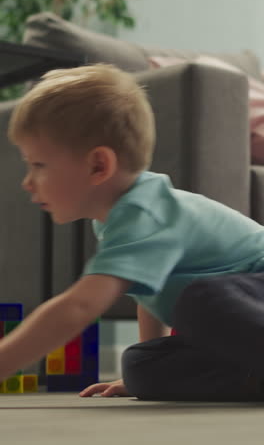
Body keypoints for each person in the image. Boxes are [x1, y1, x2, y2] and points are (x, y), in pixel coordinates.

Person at [4, 63, 264, 401]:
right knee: (142, 364)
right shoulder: (113, 219)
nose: (27, 182)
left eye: (38, 165)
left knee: (200, 300)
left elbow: (79, 307)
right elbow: (149, 294)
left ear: (99, 165)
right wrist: (153, 351)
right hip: (243, 331)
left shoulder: (146, 212)